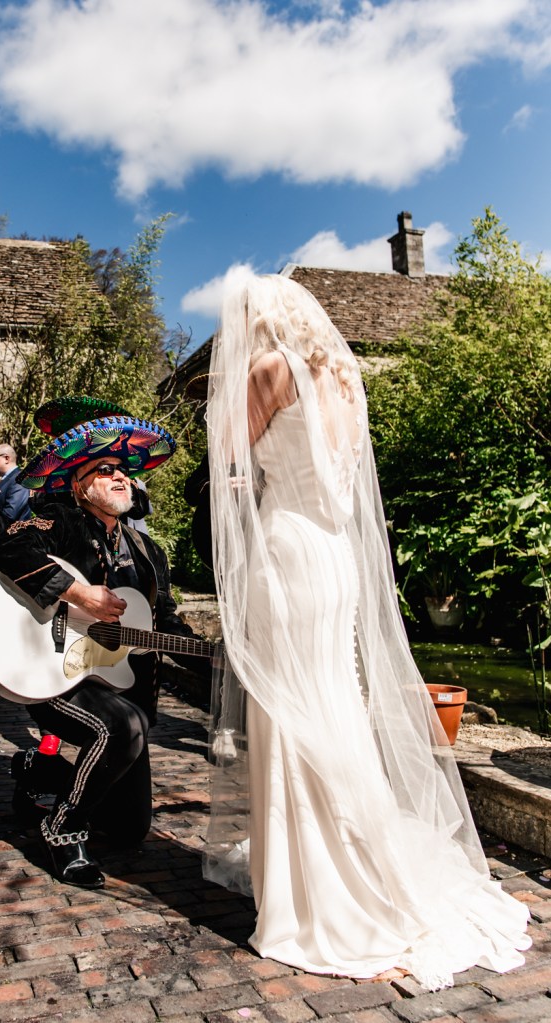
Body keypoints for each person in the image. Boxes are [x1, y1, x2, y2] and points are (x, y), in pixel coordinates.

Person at [203, 272, 530, 990]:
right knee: (334, 703)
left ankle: (318, 887)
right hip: (333, 556)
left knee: (290, 707)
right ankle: (354, 854)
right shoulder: (344, 376)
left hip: (286, 549)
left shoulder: (268, 368)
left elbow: (230, 460)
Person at [0, 409, 207, 889]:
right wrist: (76, 591)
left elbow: (164, 623)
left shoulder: (149, 553)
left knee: (130, 831)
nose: (119, 477)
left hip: (121, 684)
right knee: (120, 727)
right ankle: (62, 826)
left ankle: (40, 769)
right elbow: (8, 550)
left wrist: (223, 664)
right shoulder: (59, 520)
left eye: (122, 470)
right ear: (78, 485)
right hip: (52, 672)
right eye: (103, 470)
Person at [0, 444, 31, 526]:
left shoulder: (19, 479)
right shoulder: (8, 479)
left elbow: (11, 514)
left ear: (6, 458)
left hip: (14, 536)